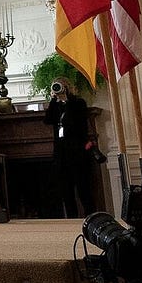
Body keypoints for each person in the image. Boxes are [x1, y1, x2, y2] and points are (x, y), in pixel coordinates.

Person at [43, 78, 94, 218]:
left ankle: (91, 217)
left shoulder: (78, 103)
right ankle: (71, 218)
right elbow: (48, 120)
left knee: (83, 188)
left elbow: (76, 122)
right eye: (56, 86)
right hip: (61, 152)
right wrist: (54, 100)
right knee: (66, 189)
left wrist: (67, 99)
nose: (58, 89)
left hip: (77, 151)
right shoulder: (56, 106)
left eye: (60, 86)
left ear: (67, 87)